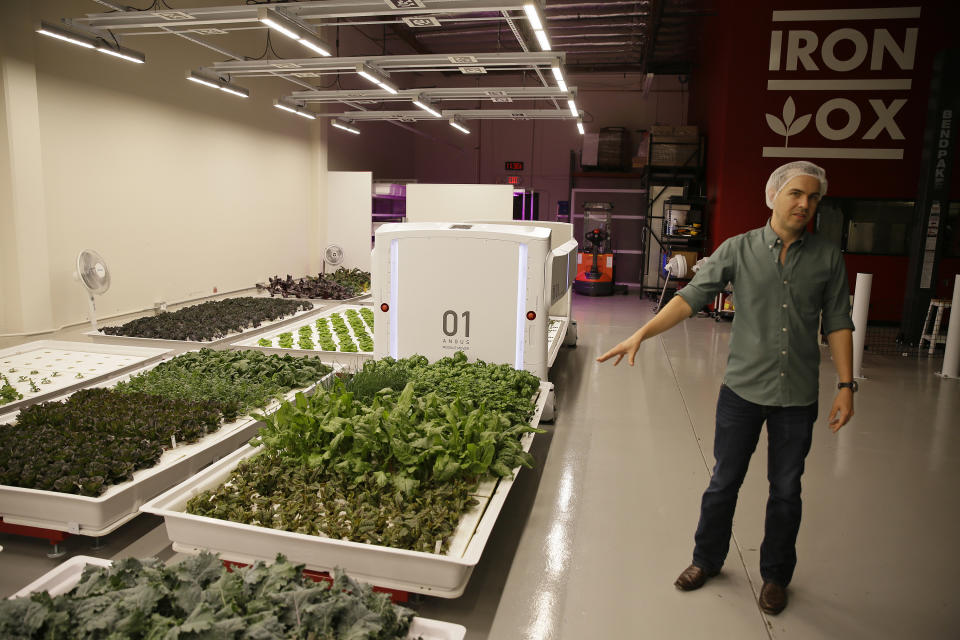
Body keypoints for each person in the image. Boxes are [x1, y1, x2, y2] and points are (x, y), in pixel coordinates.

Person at [597, 161, 856, 615]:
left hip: (797, 397)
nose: (805, 204)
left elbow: (837, 321)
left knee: (787, 489)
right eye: (796, 193)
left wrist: (846, 384)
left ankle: (776, 576)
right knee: (723, 482)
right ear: (773, 195)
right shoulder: (739, 249)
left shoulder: (827, 257)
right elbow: (690, 298)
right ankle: (707, 560)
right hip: (742, 392)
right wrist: (642, 333)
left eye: (814, 198)